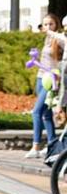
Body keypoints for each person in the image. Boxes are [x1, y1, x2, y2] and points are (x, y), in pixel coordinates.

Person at [24, 13, 63, 158]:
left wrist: (58, 76)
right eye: (45, 24)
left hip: (51, 79)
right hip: (40, 77)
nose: (47, 27)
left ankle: (35, 146)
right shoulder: (47, 39)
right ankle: (52, 145)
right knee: (46, 114)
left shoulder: (59, 40)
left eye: (51, 24)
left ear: (56, 25)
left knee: (36, 112)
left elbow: (61, 61)